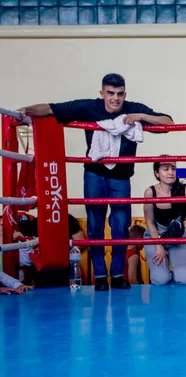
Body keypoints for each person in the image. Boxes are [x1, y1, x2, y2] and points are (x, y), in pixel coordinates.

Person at [18, 73, 174, 291]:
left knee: (120, 226)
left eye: (119, 94)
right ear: (102, 93)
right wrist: (24, 110)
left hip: (121, 176)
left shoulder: (132, 107)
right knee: (95, 224)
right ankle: (100, 276)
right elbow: (51, 108)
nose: (115, 98)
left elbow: (168, 123)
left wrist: (138, 115)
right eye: (110, 93)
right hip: (94, 174)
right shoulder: (88, 107)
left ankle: (118, 275)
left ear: (124, 94)